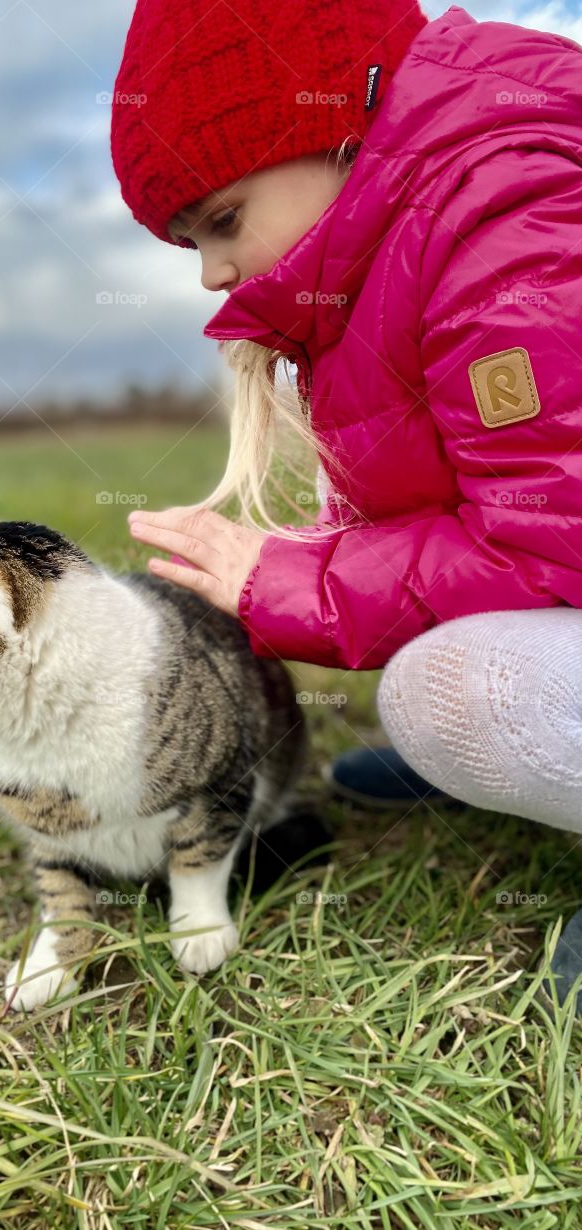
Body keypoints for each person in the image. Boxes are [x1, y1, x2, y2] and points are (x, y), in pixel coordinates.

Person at [109, 1, 582, 1001]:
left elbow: (556, 543)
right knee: (419, 678)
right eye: (187, 241)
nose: (210, 274)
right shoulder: (386, 252)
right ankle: (495, 775)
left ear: (342, 114)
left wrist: (287, 583)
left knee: (449, 694)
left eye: (224, 220)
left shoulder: (505, 213)